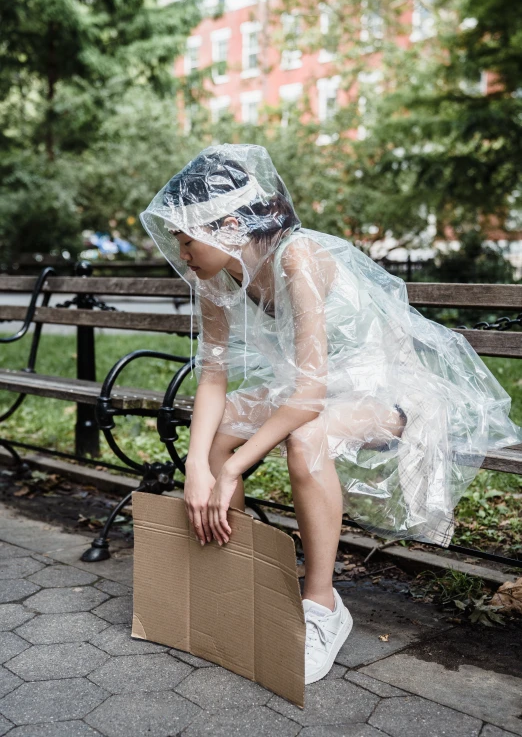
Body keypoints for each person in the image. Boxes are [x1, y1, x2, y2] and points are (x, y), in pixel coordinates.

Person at [140, 143, 522, 684]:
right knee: (220, 431)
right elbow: (213, 375)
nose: (180, 252)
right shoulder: (213, 277)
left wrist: (230, 469)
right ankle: (236, 581)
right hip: (310, 388)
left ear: (227, 225)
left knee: (307, 436)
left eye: (184, 238)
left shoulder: (299, 256)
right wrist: (200, 466)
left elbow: (311, 394)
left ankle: (321, 606)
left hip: (387, 391)